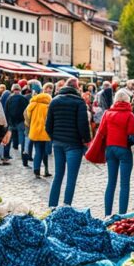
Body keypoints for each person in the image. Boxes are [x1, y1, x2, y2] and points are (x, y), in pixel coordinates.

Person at [46, 77, 91, 207]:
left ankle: (52, 206)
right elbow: (83, 125)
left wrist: (54, 138)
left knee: (58, 176)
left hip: (58, 143)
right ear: (77, 88)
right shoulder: (79, 102)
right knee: (71, 179)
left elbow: (48, 125)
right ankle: (66, 206)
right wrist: (87, 141)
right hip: (74, 145)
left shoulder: (54, 101)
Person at [99, 90, 134, 216]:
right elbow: (132, 133)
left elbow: (102, 131)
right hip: (123, 149)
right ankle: (122, 215)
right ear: (127, 101)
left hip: (110, 149)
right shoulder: (129, 115)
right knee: (124, 184)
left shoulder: (107, 113)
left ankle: (107, 214)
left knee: (111, 182)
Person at [25, 82, 53, 178]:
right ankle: (46, 170)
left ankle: (36, 169)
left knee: (38, 151)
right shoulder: (49, 105)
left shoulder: (33, 104)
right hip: (46, 132)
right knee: (45, 152)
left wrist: (30, 124)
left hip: (35, 131)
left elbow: (27, 116)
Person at [4, 84, 30, 165]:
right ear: (20, 90)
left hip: (11, 122)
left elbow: (6, 111)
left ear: (12, 90)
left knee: (8, 139)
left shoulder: (9, 99)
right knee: (23, 140)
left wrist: (7, 122)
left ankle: (6, 155)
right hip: (21, 122)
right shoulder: (24, 98)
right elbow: (27, 111)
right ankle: (24, 158)